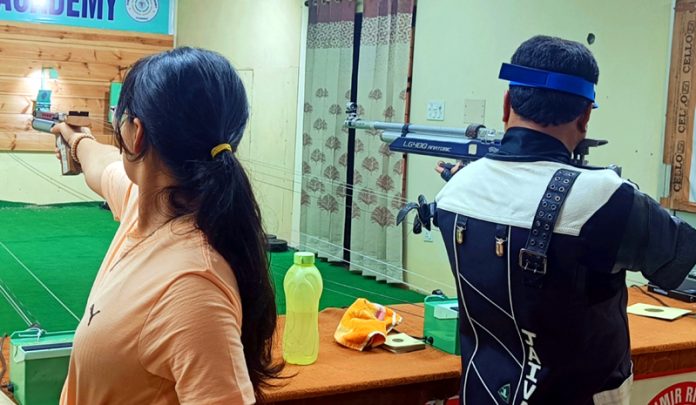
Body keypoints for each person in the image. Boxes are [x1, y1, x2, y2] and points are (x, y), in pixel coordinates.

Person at [433, 35, 696, 405]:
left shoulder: (456, 189)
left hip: (483, 389)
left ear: (506, 105)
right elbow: (679, 255)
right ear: (586, 116)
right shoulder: (606, 197)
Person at [53, 47, 283, 404]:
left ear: (137, 133)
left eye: (122, 116)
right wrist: (75, 137)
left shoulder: (191, 286)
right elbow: (100, 163)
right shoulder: (143, 203)